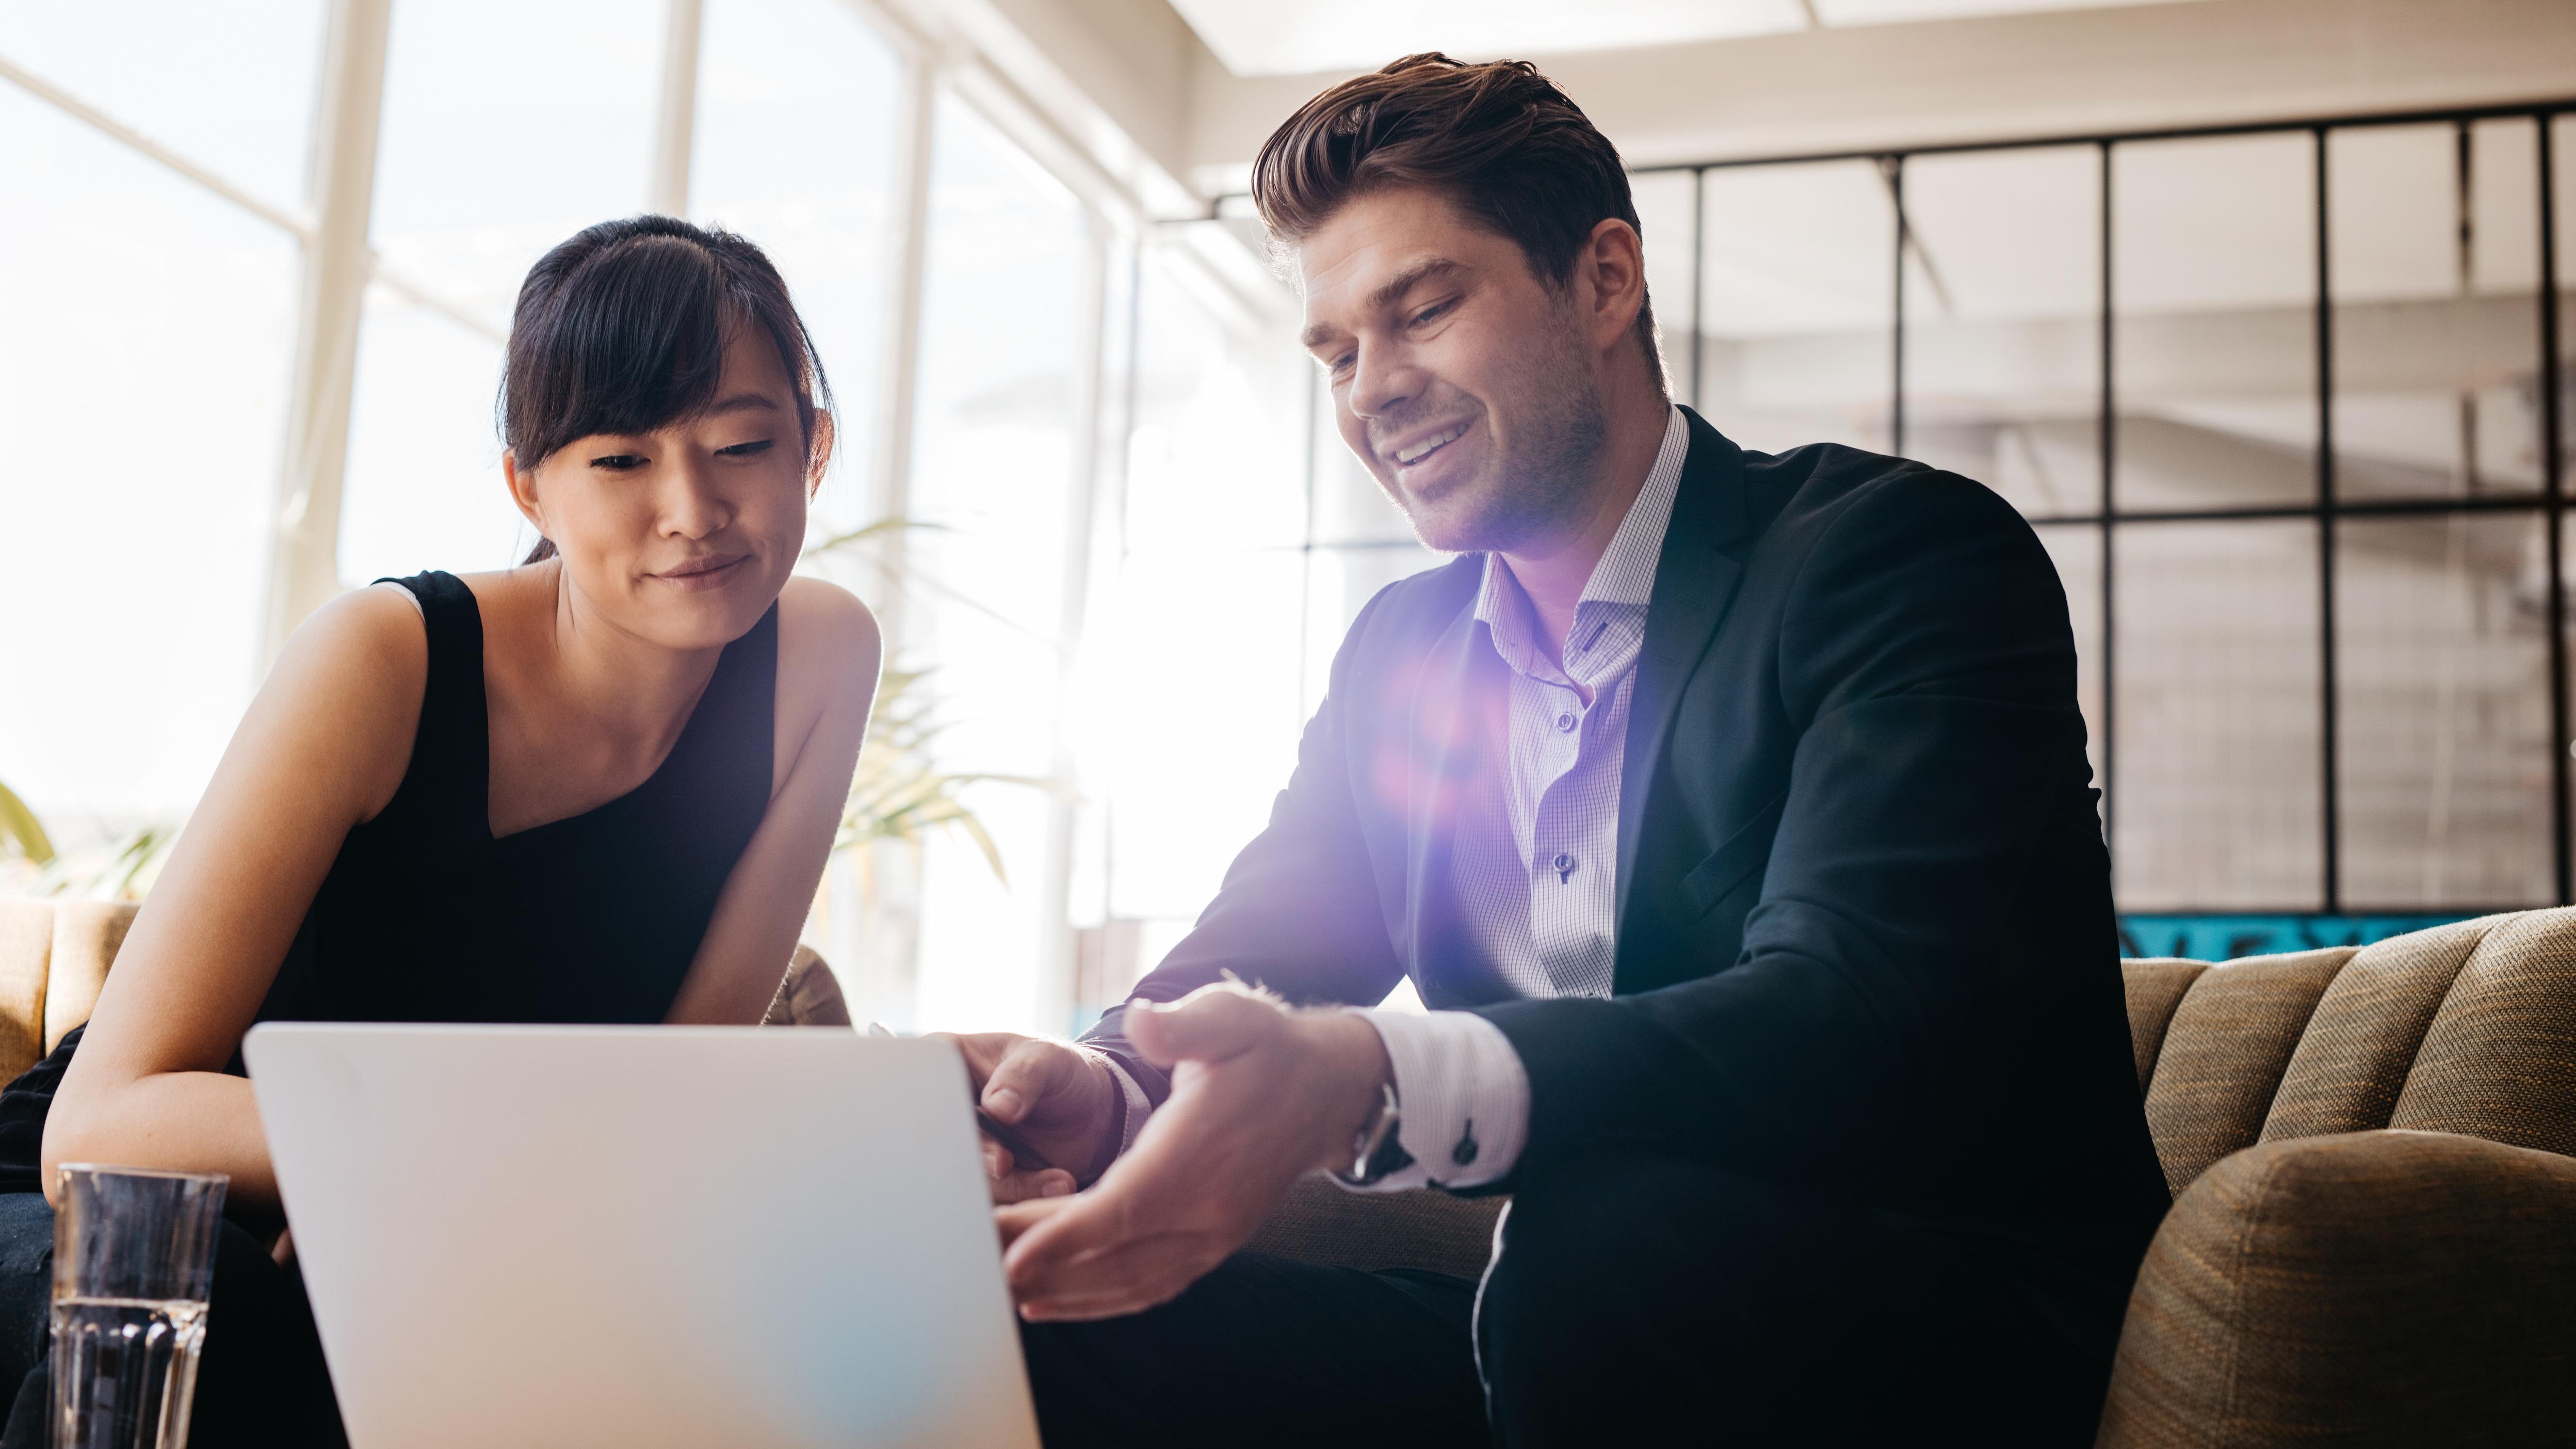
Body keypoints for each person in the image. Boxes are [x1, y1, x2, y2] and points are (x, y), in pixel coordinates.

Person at [948, 54, 2172, 1447]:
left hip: (1937, 1316)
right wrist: (1103, 1086)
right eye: (1337, 353)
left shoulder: (1898, 562)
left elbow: (1849, 1021)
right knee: (1022, 1310)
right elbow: (1262, 948)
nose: (1372, 391)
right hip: (1568, 1332)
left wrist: (1376, 1074)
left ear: (1603, 281)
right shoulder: (1400, 654)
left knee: (1598, 1249)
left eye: (1422, 310)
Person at [0, 216, 881, 1447]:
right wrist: (397, 1174)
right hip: (143, 1230)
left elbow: (677, 1094)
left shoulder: (822, 659)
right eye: (621, 460)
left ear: (814, 448)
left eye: (743, 444)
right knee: (239, 1310)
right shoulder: (386, 658)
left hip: (451, 1214)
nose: (693, 511)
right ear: (530, 487)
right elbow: (99, 1130)